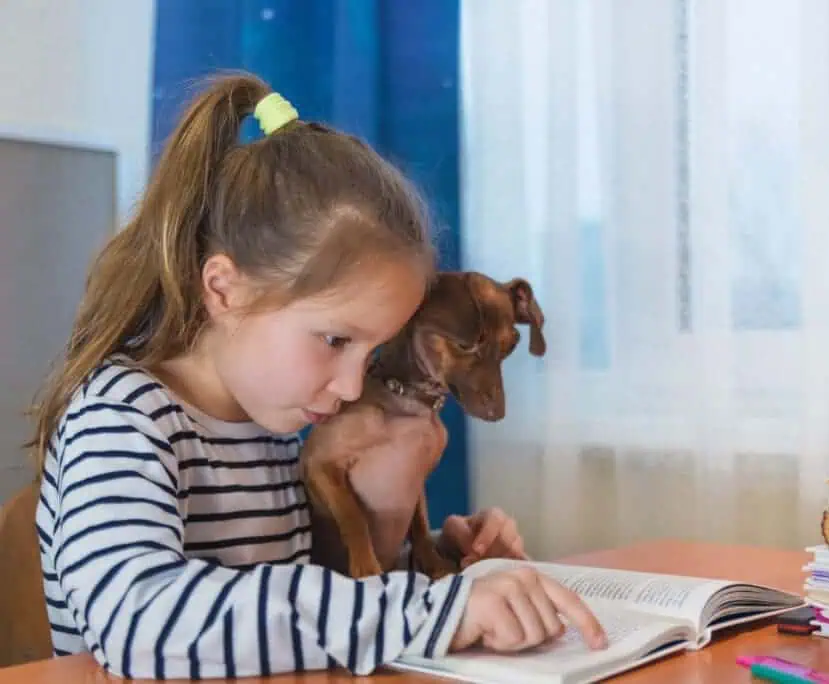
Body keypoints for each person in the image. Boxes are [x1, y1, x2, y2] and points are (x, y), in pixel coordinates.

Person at [27, 72, 606, 680]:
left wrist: (432, 556)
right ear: (225, 290)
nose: (354, 387)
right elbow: (140, 625)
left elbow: (302, 608)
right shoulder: (122, 418)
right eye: (334, 340)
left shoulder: (267, 424)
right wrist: (425, 613)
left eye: (373, 351)